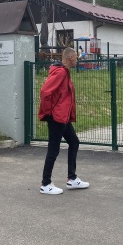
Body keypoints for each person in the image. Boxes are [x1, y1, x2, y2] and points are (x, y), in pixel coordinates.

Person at [39, 47, 89, 195]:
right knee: (53, 150)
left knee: (74, 142)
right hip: (57, 117)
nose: (77, 60)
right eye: (76, 57)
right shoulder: (61, 73)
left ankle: (72, 179)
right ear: (70, 58)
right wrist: (50, 113)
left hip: (63, 117)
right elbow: (45, 91)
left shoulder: (65, 73)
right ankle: (45, 184)